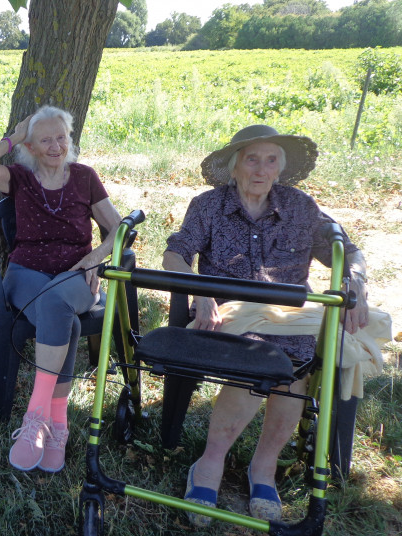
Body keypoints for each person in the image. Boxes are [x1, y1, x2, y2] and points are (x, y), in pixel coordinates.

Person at [163, 124, 392, 525]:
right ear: (234, 166)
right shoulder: (208, 205)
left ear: (280, 168)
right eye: (252, 159)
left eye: (271, 160)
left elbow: (347, 252)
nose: (261, 169)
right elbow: (174, 254)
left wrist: (354, 282)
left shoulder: (301, 207)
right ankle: (209, 462)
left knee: (296, 360)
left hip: (290, 314)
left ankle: (263, 467)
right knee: (262, 359)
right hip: (232, 311)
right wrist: (200, 293)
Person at [0, 106, 122, 473]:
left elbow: (119, 229)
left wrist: (97, 258)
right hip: (26, 274)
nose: (56, 145)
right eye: (45, 139)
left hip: (77, 274)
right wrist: (14, 136)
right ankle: (58, 424)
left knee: (58, 303)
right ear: (31, 146)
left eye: (62, 137)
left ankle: (35, 417)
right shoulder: (19, 178)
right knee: (63, 318)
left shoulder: (85, 177)